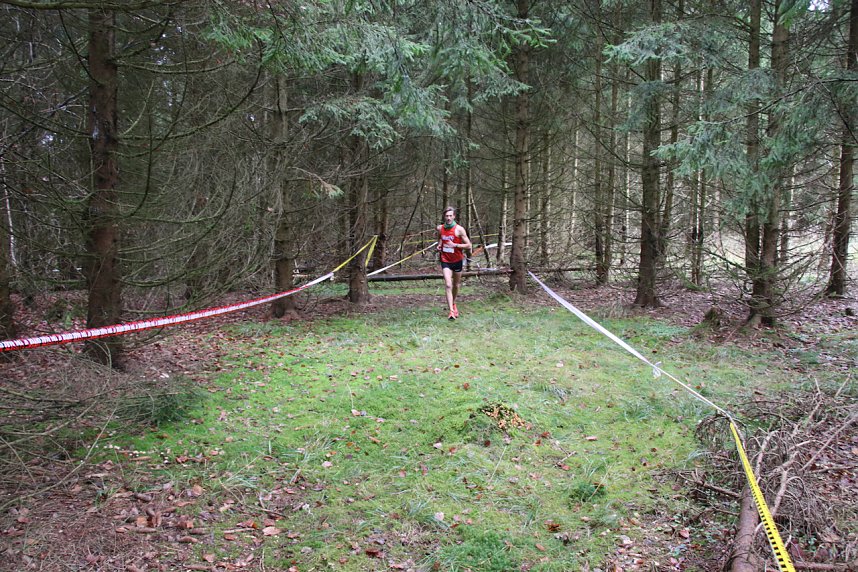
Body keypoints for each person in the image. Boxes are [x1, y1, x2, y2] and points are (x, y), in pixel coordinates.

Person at [436, 206, 472, 320]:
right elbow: (440, 238)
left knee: (456, 285)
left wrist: (455, 245)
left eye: (450, 216)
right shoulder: (440, 228)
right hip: (445, 260)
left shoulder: (459, 229)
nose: (448, 218)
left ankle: (454, 303)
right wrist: (439, 244)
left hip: (457, 260)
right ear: (444, 217)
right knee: (448, 284)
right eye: (447, 216)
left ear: (454, 216)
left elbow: (469, 245)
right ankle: (451, 311)